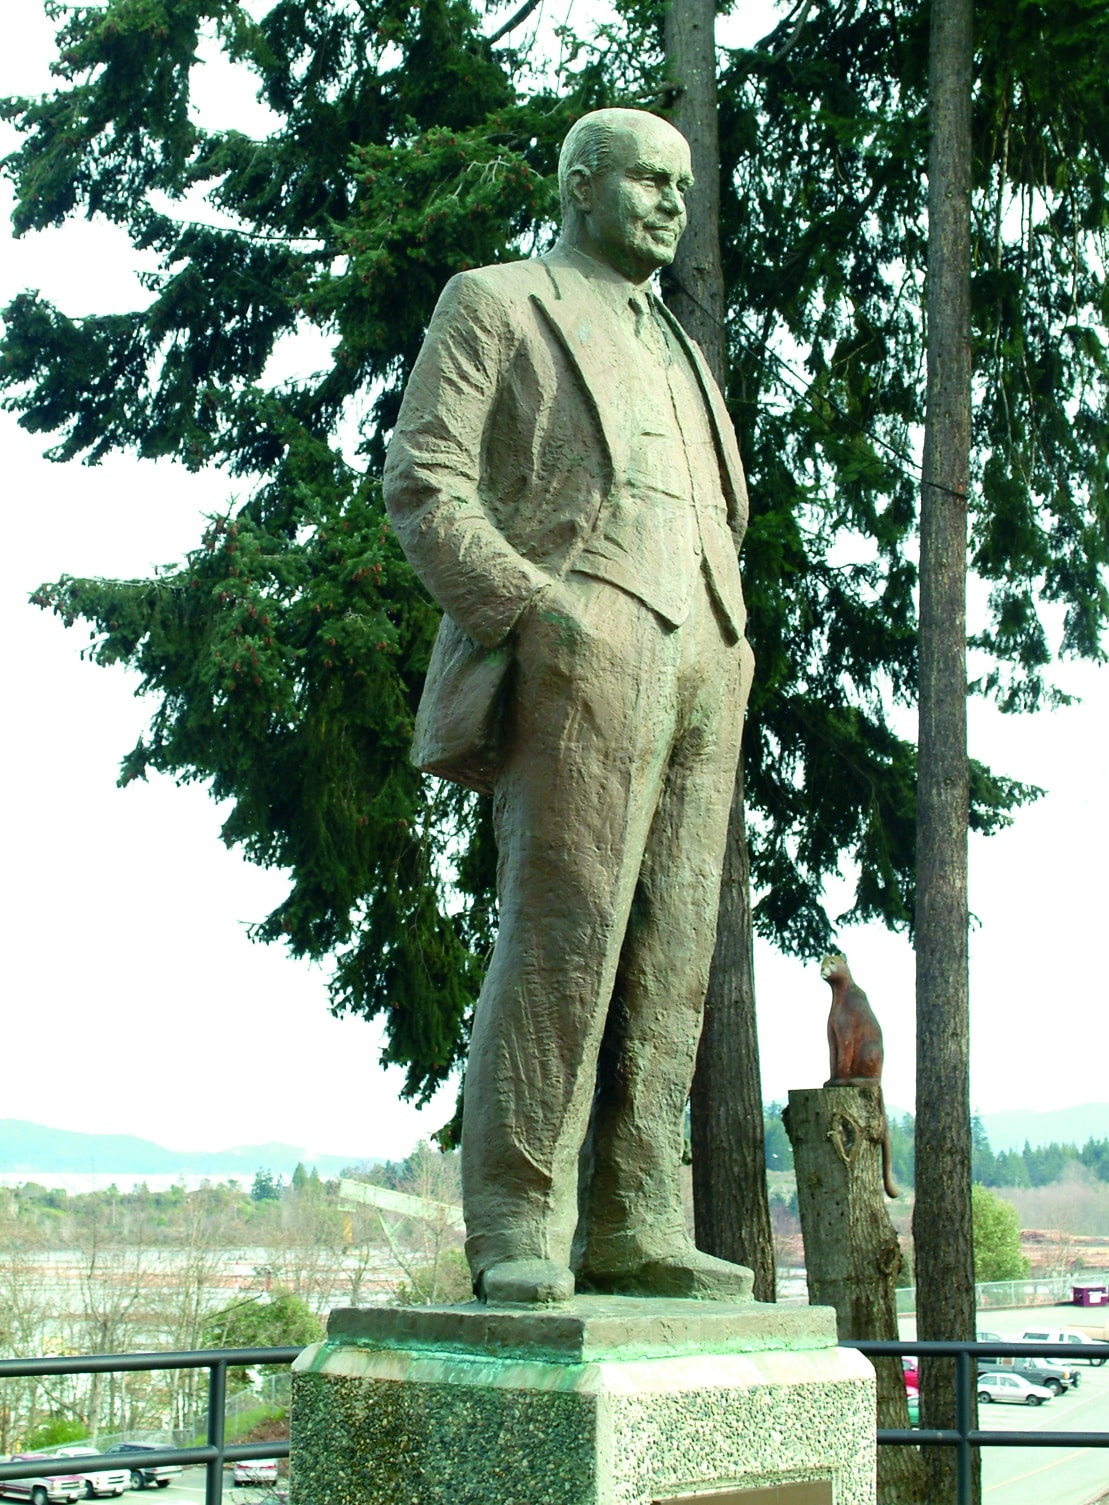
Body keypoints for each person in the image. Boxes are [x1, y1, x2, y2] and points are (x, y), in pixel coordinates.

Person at [384, 107, 756, 1305]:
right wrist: (535, 610)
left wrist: (724, 637)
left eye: (682, 186)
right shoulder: (497, 300)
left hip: (705, 648)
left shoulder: (684, 349)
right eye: (645, 179)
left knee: (674, 944)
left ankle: (638, 1217)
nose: (668, 202)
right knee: (562, 932)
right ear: (580, 185)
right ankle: (515, 1217)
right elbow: (423, 483)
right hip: (581, 641)